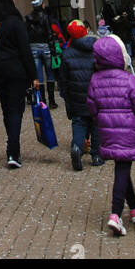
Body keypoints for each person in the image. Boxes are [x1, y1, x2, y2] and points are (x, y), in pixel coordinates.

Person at [87, 33, 135, 236]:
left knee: (123, 167)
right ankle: (115, 214)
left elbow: (92, 107)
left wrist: (100, 123)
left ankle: (134, 210)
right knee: (122, 170)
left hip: (107, 130)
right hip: (128, 130)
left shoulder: (95, 80)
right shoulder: (128, 79)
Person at [0, 0, 38, 169]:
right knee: (15, 110)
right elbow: (25, 51)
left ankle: (12, 147)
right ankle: (13, 150)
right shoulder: (16, 22)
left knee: (6, 109)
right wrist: (33, 75)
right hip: (16, 72)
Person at [58, 21, 103, 171]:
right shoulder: (96, 48)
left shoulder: (67, 54)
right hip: (95, 95)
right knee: (96, 124)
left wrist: (66, 95)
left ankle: (77, 148)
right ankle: (96, 155)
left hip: (76, 97)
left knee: (79, 124)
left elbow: (63, 79)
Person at [25, 0, 53, 106]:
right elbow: (49, 32)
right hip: (45, 46)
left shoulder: (28, 18)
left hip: (33, 47)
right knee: (50, 73)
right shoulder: (45, 17)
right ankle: (52, 100)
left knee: (39, 75)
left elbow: (27, 34)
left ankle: (42, 100)